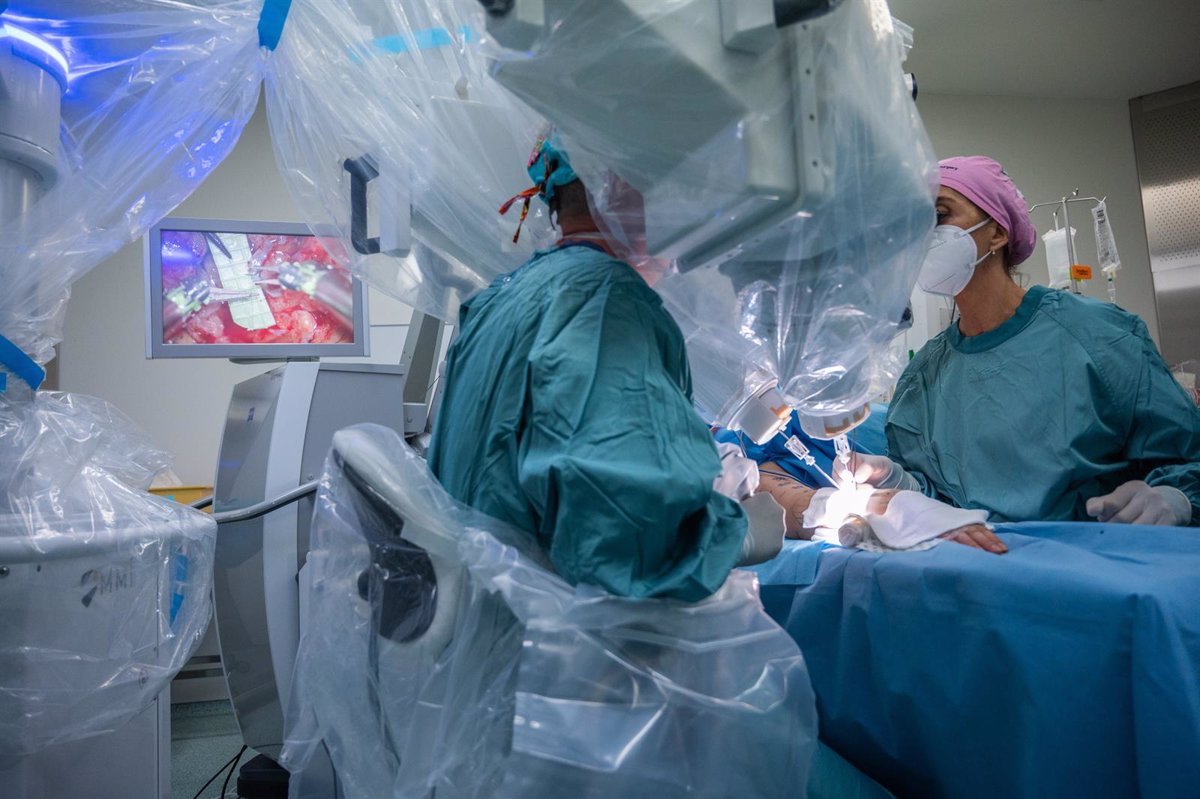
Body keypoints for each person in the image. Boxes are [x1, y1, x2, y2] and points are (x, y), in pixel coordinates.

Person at [426, 132, 788, 601]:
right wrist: (726, 532)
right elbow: (627, 544)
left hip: (495, 626)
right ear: (614, 183)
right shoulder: (605, 304)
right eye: (676, 183)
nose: (693, 206)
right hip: (557, 645)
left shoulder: (506, 295)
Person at [852, 155, 1200, 527]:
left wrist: (1177, 497)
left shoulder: (1100, 336)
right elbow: (942, 506)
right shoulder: (923, 378)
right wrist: (900, 484)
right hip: (981, 569)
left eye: (939, 216)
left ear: (998, 232)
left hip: (1099, 564)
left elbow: (1187, 453)